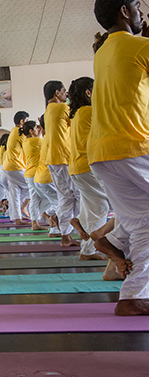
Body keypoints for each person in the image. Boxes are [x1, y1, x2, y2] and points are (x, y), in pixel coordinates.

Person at [88, 0, 149, 316]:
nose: (140, 13)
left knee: (141, 217)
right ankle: (134, 294)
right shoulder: (138, 46)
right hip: (133, 146)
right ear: (124, 11)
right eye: (138, 7)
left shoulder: (103, 53)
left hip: (102, 152)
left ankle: (117, 241)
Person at [67, 77, 109, 261]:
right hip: (88, 165)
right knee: (101, 207)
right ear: (88, 93)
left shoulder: (77, 114)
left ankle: (83, 229)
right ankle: (90, 249)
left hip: (76, 166)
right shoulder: (91, 111)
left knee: (92, 205)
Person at [43, 80, 81, 247]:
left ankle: (66, 236)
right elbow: (79, 125)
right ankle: (84, 232)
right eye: (64, 91)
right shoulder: (63, 108)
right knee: (81, 196)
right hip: (66, 158)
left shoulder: (47, 111)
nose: (66, 94)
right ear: (57, 93)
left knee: (65, 198)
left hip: (52, 159)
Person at [34, 115, 61, 237]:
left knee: (57, 202)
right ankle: (56, 227)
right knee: (62, 202)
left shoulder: (44, 138)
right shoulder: (51, 137)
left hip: (40, 176)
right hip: (47, 177)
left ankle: (51, 217)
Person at [3, 111, 31, 224]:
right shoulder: (20, 132)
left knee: (15, 193)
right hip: (16, 166)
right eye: (27, 121)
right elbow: (29, 145)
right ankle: (23, 207)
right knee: (33, 186)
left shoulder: (13, 131)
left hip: (8, 167)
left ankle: (17, 218)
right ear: (21, 121)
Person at [21, 120, 47, 231]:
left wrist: (40, 132)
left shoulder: (25, 141)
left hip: (29, 173)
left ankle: (35, 223)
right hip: (37, 173)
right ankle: (42, 215)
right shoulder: (36, 140)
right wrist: (43, 131)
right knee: (49, 197)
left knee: (35, 199)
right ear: (31, 131)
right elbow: (47, 143)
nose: (38, 130)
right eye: (36, 128)